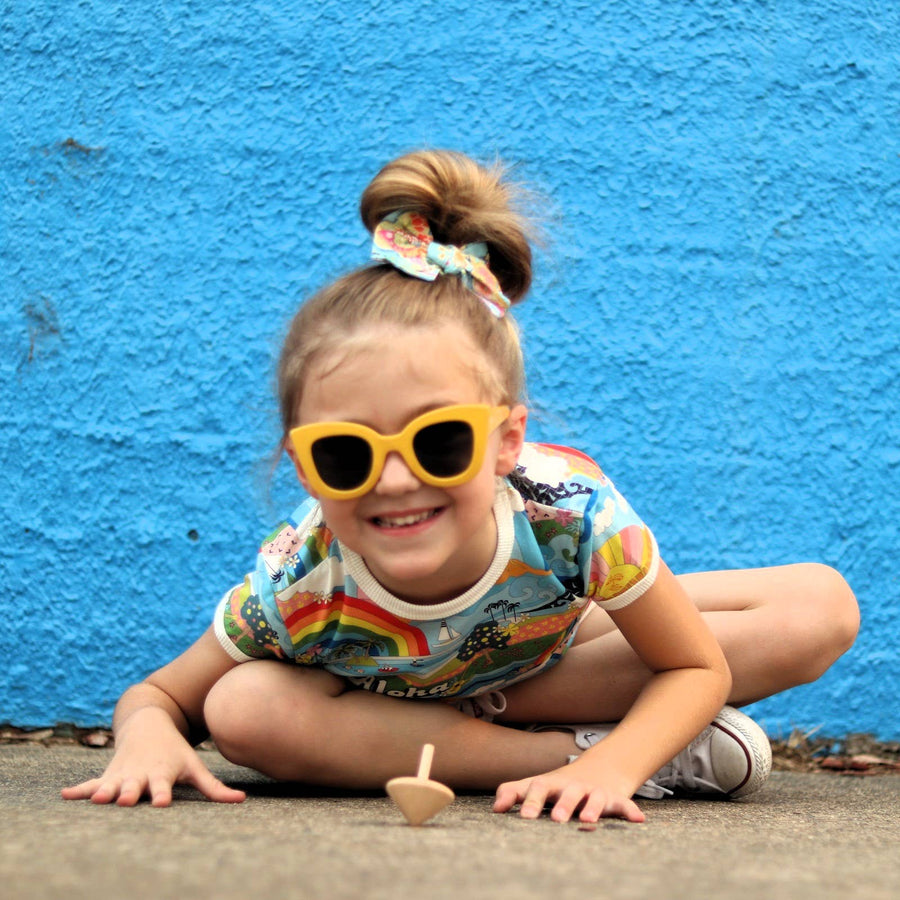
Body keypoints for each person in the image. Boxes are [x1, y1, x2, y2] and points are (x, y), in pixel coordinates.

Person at [62, 150, 859, 823]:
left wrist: (615, 771)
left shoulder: (568, 514)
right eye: (347, 455)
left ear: (508, 440)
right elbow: (160, 694)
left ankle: (610, 743)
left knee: (818, 607)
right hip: (384, 706)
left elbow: (694, 667)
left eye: (439, 441)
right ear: (304, 468)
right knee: (241, 706)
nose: (396, 480)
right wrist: (148, 735)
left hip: (546, 652)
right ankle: (595, 753)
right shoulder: (303, 575)